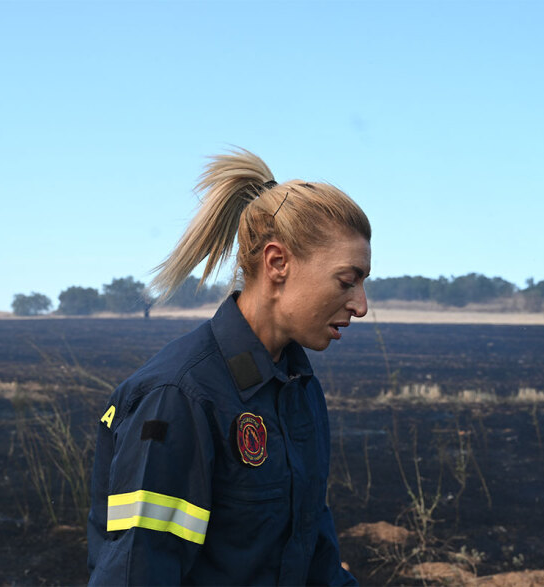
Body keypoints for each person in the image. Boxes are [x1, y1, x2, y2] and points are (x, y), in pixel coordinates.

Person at [87, 148, 371, 585]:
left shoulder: (299, 388)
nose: (361, 305)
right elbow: (138, 572)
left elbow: (314, 559)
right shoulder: (177, 397)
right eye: (347, 281)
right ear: (277, 263)